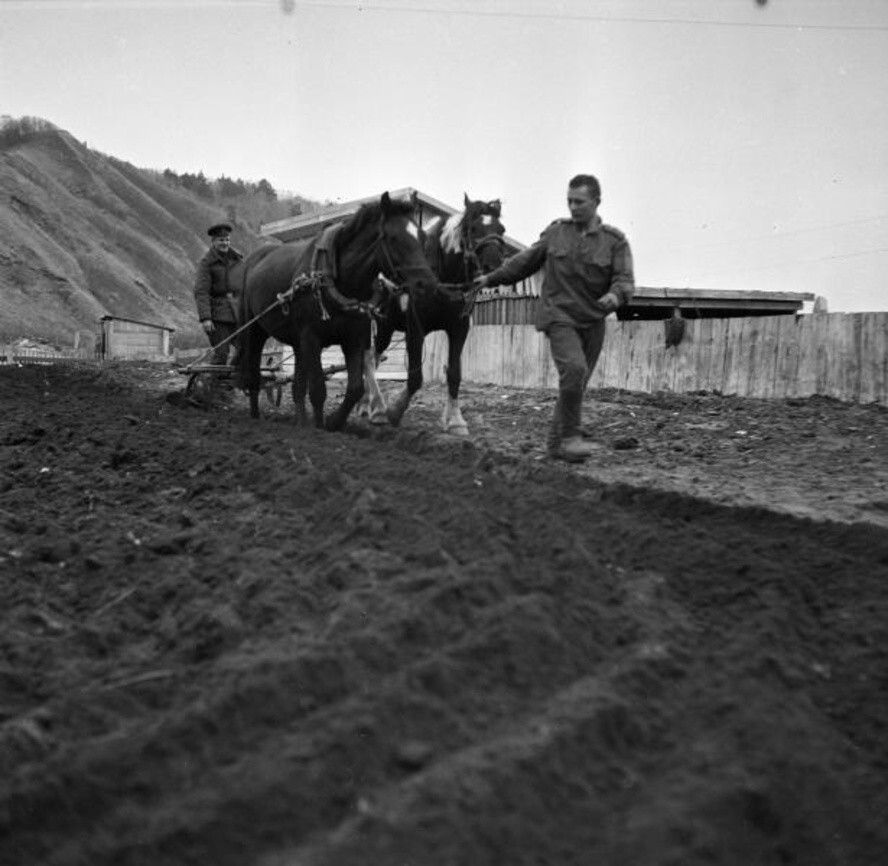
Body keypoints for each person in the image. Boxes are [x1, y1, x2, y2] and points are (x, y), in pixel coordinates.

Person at [473, 174, 635, 462]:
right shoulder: (556, 233)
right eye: (569, 201)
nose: (573, 207)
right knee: (573, 371)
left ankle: (554, 445)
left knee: (575, 384)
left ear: (596, 202)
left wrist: (615, 296)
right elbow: (523, 263)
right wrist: (489, 278)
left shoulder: (615, 242)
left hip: (593, 319)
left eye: (579, 202)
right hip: (559, 316)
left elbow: (624, 280)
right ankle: (571, 439)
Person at [193, 222, 243, 366]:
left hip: (237, 314)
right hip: (217, 318)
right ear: (213, 241)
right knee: (222, 354)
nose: (225, 243)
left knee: (245, 350)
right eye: (221, 240)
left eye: (227, 240)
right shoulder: (206, 263)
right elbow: (201, 291)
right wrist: (205, 318)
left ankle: (232, 382)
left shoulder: (238, 260)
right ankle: (214, 385)